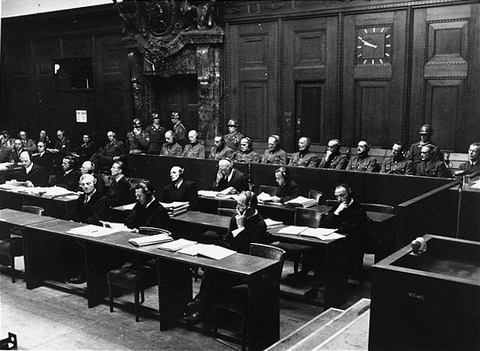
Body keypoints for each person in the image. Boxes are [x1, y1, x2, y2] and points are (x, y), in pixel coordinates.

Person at [183, 191, 269, 325]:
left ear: (250, 207)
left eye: (240, 205)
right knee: (212, 269)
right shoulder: (236, 217)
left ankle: (201, 308)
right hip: (231, 260)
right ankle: (202, 306)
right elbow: (228, 241)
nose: (237, 208)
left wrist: (241, 229)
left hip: (247, 268)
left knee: (213, 275)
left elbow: (248, 251)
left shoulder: (260, 225)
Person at [63, 173, 108, 284]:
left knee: (74, 244)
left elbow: (95, 219)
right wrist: (69, 219)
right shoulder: (82, 197)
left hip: (94, 232)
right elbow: (73, 212)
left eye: (88, 184)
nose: (86, 187)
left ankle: (82, 273)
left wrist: (77, 221)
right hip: (80, 228)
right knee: (63, 240)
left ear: (94, 183)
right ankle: (68, 272)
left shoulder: (102, 198)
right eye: (83, 185)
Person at [320, 184, 368, 275]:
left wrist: (336, 227)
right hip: (336, 238)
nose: (339, 199)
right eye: (337, 196)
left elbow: (350, 228)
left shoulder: (358, 208)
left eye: (342, 195)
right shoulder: (337, 207)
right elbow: (325, 224)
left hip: (353, 241)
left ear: (349, 193)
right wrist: (337, 212)